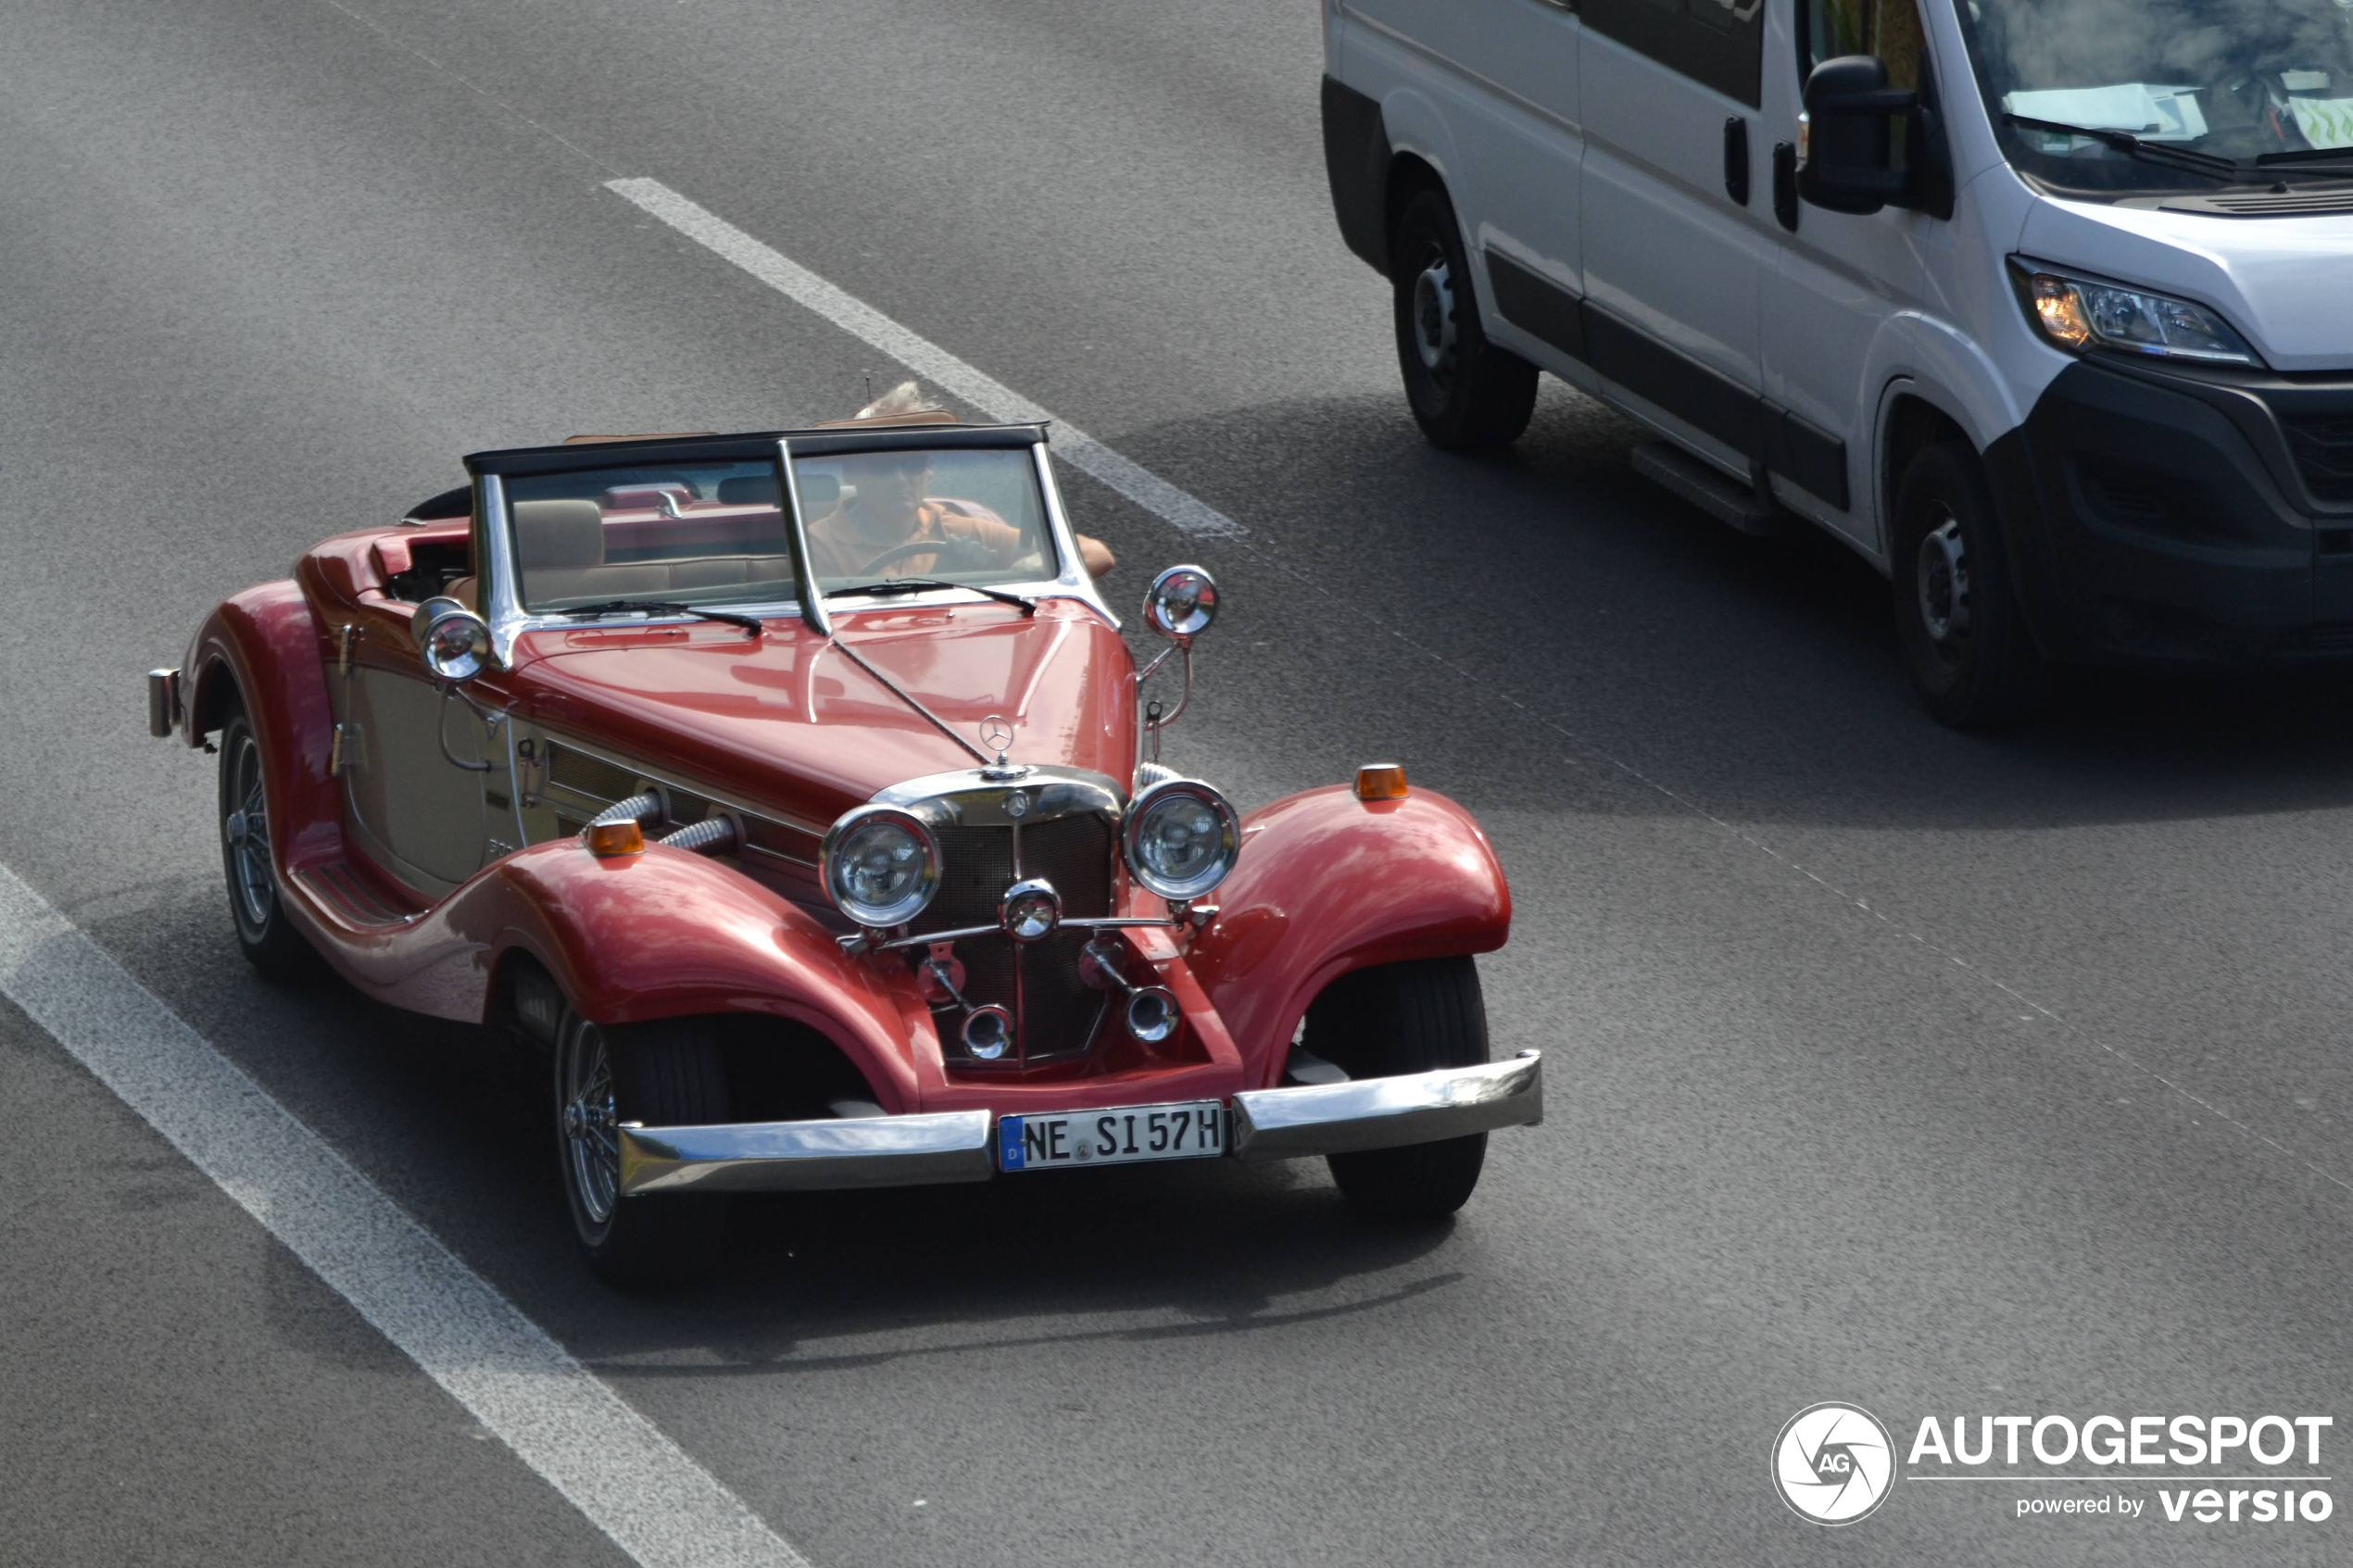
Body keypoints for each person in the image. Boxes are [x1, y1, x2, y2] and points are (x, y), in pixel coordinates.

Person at [802, 383, 1115, 581]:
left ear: (929, 471)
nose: (899, 479)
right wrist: (950, 576)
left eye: (912, 462)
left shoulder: (953, 526)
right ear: (854, 474)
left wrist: (1017, 572)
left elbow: (1096, 554)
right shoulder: (818, 544)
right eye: (882, 466)